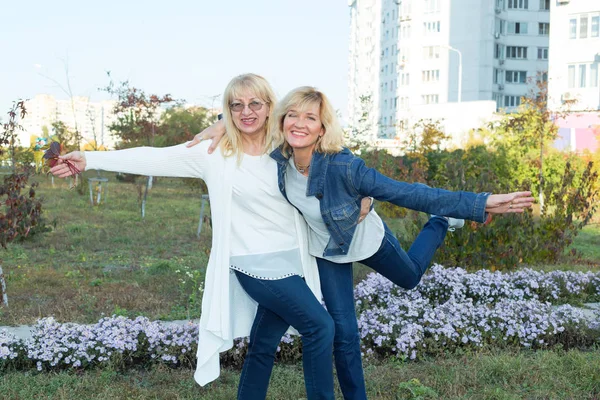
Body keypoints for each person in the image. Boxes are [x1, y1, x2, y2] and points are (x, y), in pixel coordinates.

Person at [191, 86, 534, 400]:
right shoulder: (278, 154)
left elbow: (409, 192)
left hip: (367, 240)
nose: (299, 123)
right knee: (343, 334)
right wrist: (222, 121)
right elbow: (251, 114)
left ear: (322, 128)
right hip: (327, 251)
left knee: (411, 276)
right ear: (282, 121)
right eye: (292, 115)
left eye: (310, 118)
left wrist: (479, 203)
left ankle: (443, 222)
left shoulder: (345, 165)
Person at [50, 74, 370, 400]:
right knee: (320, 327)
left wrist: (363, 193)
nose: (246, 112)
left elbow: (333, 154)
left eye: (255, 104)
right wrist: (90, 159)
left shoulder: (284, 146)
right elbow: (154, 157)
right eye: (236, 105)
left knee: (263, 345)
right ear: (227, 110)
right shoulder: (214, 152)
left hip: (293, 261)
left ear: (270, 107)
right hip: (253, 264)